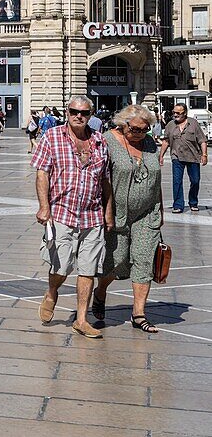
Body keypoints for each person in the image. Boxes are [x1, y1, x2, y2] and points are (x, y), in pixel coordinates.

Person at [32, 95, 111, 339]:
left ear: (91, 115)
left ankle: (81, 319)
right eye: (74, 111)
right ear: (67, 112)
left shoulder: (99, 141)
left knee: (88, 269)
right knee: (62, 266)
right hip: (62, 214)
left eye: (84, 113)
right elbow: (42, 174)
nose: (79, 116)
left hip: (92, 215)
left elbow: (105, 181)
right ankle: (52, 292)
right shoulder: (52, 137)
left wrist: (109, 213)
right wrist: (44, 207)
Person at [95, 104, 164, 333]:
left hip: (147, 214)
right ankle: (100, 291)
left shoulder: (150, 144)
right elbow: (99, 179)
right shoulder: (107, 141)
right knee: (115, 262)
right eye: (135, 129)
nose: (140, 134)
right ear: (122, 125)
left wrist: (160, 209)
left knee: (144, 261)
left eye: (145, 130)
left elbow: (156, 179)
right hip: (116, 215)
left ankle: (139, 314)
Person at [160, 103, 207, 213]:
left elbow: (202, 140)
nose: (175, 115)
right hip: (176, 157)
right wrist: (161, 155)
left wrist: (204, 155)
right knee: (177, 181)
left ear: (184, 113)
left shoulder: (193, 123)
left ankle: (193, 202)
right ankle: (178, 205)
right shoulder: (170, 125)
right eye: (174, 112)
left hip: (193, 156)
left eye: (178, 113)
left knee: (195, 181)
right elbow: (166, 141)